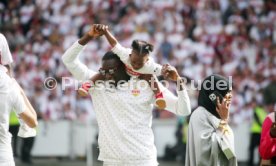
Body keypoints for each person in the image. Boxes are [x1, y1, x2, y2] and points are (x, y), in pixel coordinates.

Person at [62, 24, 191, 166]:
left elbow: (183, 110)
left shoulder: (147, 84)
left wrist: (178, 81)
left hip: (143, 159)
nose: (107, 74)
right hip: (111, 160)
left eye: (111, 70)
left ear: (125, 65)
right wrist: (88, 37)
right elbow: (68, 60)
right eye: (104, 70)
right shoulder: (97, 82)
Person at [78, 24, 167, 109]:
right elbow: (114, 43)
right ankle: (87, 85)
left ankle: (159, 96)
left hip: (140, 75)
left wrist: (169, 71)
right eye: (134, 62)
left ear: (146, 61)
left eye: (140, 64)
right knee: (105, 71)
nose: (135, 65)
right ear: (130, 54)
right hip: (124, 71)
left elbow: (163, 70)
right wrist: (106, 32)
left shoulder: (150, 66)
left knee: (151, 77)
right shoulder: (124, 54)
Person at [185, 74, 237, 166]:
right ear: (214, 95)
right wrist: (224, 122)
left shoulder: (219, 116)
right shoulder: (200, 115)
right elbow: (204, 155)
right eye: (226, 92)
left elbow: (229, 153)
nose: (230, 96)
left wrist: (224, 121)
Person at [0, 71, 38, 166]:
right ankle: (20, 156)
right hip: (3, 154)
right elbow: (33, 122)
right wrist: (21, 92)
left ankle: (20, 155)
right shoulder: (11, 91)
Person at [248, 101, 267, 166]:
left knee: (251, 149)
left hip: (255, 132)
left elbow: (257, 119)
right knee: (260, 150)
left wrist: (261, 125)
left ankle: (250, 164)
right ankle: (260, 163)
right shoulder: (264, 112)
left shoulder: (256, 110)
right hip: (261, 133)